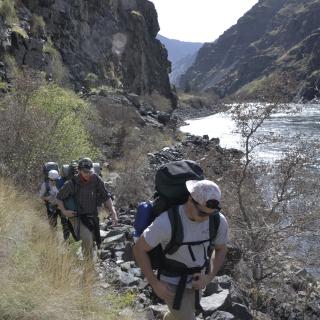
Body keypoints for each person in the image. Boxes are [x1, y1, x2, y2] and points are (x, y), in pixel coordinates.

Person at [133, 180, 229, 320]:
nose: (206, 218)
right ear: (190, 200)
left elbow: (220, 249)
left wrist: (209, 277)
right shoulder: (166, 222)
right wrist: (154, 283)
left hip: (198, 281)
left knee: (183, 314)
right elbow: (138, 249)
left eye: (211, 214)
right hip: (171, 283)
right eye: (202, 213)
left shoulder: (218, 220)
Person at [56, 157, 118, 260]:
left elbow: (106, 196)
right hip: (76, 216)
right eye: (85, 172)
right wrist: (64, 211)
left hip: (92, 215)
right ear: (79, 170)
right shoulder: (72, 183)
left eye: (90, 172)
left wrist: (113, 212)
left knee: (92, 240)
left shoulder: (96, 179)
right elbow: (59, 198)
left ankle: (78, 256)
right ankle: (89, 268)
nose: (88, 174)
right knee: (87, 239)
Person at [39, 169, 70, 240]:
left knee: (65, 224)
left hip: (62, 207)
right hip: (51, 207)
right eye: (51, 180)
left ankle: (67, 241)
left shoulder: (63, 183)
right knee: (53, 225)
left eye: (55, 180)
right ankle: (54, 241)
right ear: (49, 178)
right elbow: (41, 196)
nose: (53, 181)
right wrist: (49, 198)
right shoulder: (45, 184)